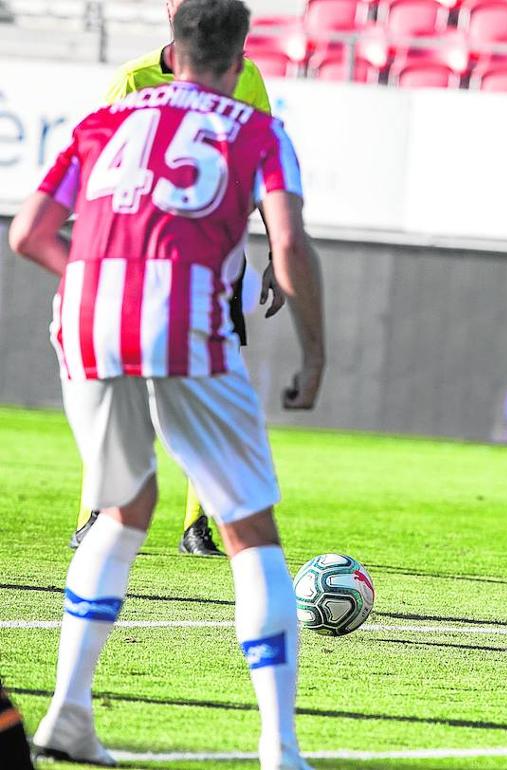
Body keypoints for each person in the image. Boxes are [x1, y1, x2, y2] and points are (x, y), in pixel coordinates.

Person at [7, 0, 325, 766]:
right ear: (240, 56)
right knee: (252, 531)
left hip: (82, 317)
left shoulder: (102, 120)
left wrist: (92, 276)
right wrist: (315, 354)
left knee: (121, 507)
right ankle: (280, 749)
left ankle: (69, 715)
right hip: (181, 316)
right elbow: (287, 243)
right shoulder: (255, 128)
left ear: (170, 50)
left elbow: (27, 234)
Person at [68, 0, 284, 558]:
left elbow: (262, 176)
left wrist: (274, 255)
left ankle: (196, 524)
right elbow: (100, 173)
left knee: (211, 388)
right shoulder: (131, 79)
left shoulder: (249, 75)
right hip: (136, 267)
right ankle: (94, 511)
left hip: (214, 270)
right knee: (123, 393)